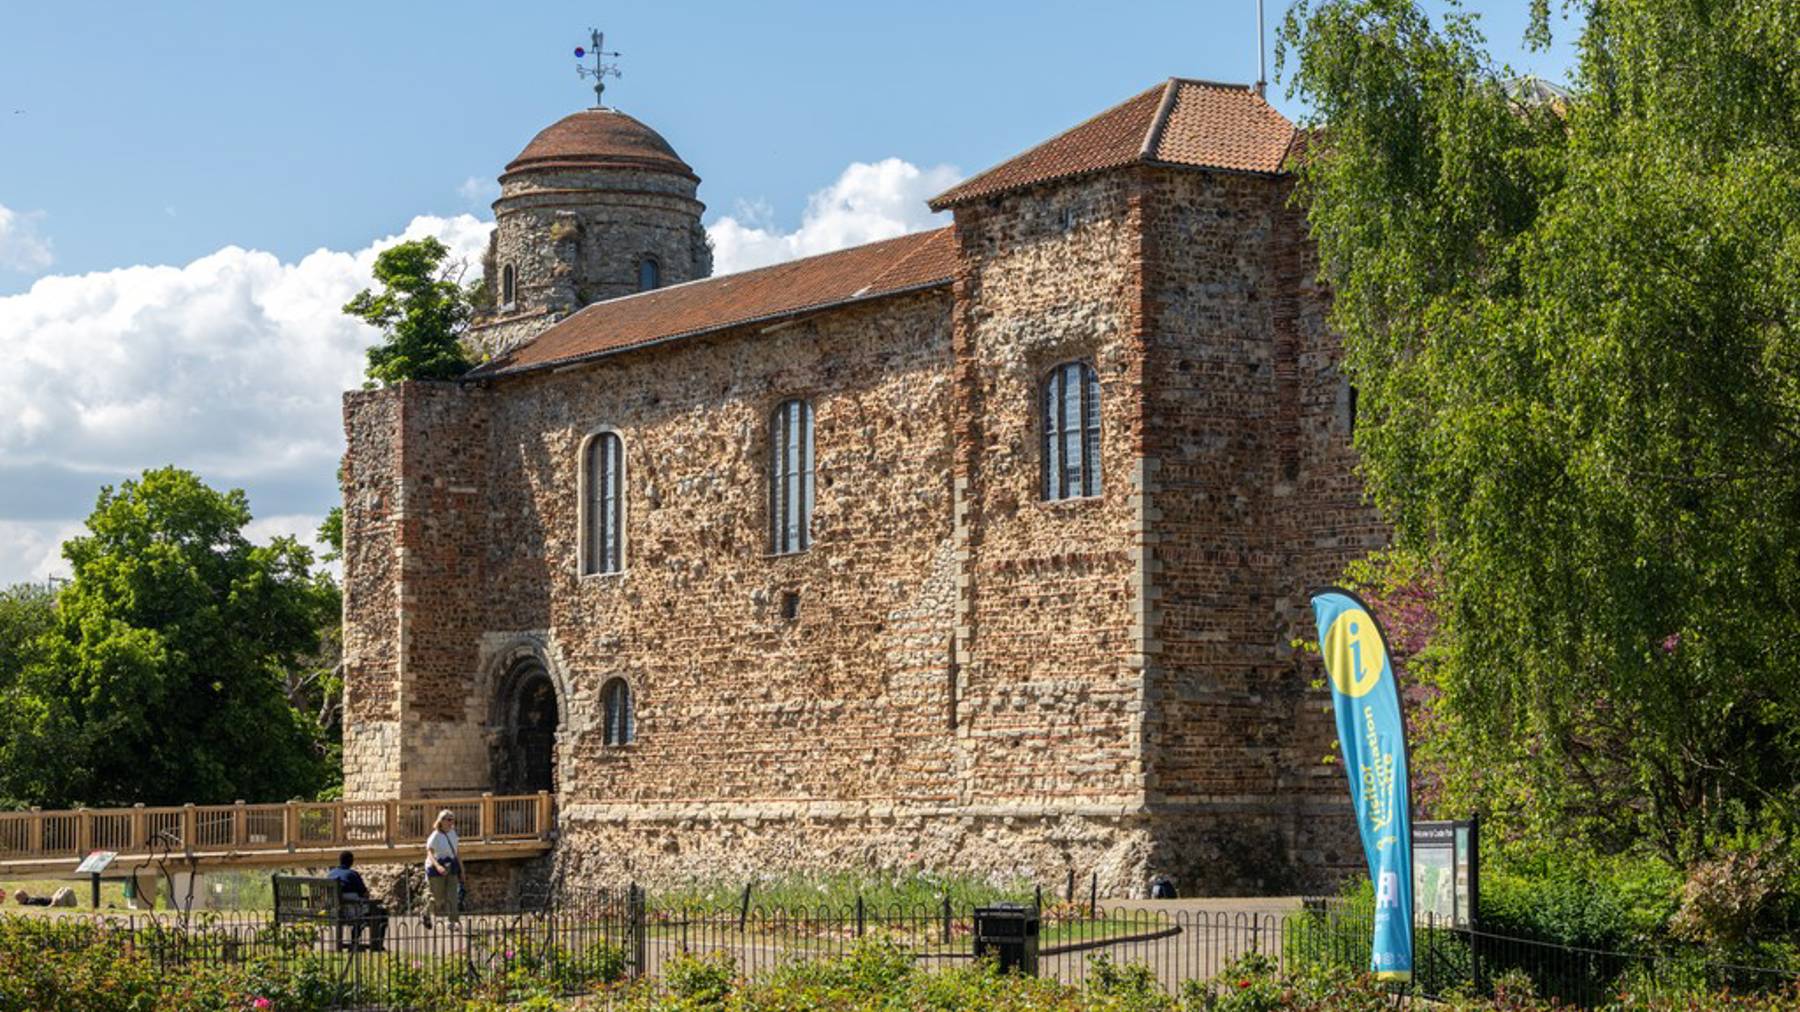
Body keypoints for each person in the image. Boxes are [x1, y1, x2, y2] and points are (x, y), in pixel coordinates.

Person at [326, 850, 388, 951]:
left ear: (340, 861)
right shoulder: (352, 874)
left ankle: (354, 943)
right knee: (381, 913)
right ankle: (376, 944)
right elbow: (364, 893)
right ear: (351, 862)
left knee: (360, 913)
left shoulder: (331, 874)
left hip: (337, 912)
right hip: (353, 911)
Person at [423, 809, 461, 929]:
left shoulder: (453, 833)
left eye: (452, 819)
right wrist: (437, 866)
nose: (451, 822)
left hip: (451, 866)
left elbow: (456, 852)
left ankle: (453, 921)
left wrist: (462, 869)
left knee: (453, 895)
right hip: (436, 868)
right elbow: (430, 853)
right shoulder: (435, 836)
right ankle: (426, 913)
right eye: (449, 819)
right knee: (437, 897)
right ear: (442, 821)